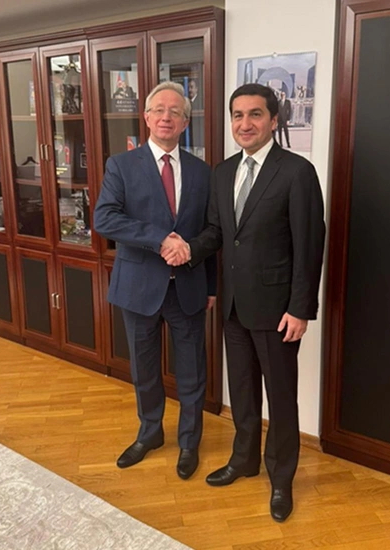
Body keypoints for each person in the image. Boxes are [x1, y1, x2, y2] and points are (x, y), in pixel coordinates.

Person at [162, 83, 325, 522]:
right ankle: (244, 459)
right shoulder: (223, 171)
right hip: (233, 306)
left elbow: (310, 244)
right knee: (243, 391)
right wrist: (189, 249)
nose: (245, 123)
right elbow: (219, 233)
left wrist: (301, 308)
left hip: (278, 310)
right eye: (238, 115)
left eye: (255, 114)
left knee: (281, 398)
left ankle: (281, 479)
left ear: (274, 120)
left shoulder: (296, 172)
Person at [93, 81, 216, 480]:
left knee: (192, 371)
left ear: (185, 122)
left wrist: (210, 282)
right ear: (146, 117)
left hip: (189, 287)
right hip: (138, 288)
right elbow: (104, 219)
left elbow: (212, 231)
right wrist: (161, 239)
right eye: (159, 110)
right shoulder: (121, 165)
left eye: (175, 112)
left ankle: (189, 442)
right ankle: (150, 433)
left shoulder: (202, 171)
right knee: (144, 369)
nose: (166, 117)